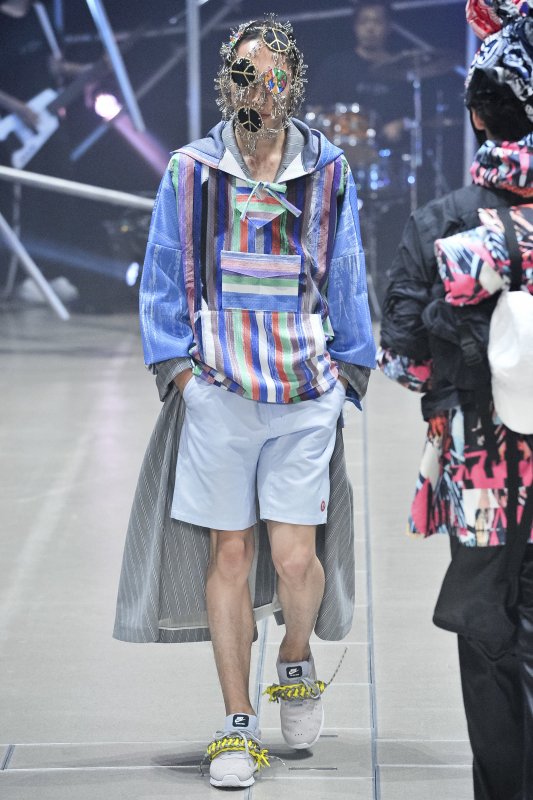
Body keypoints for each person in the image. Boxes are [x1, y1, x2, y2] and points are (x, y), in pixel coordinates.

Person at [113, 15, 376, 790]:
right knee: (229, 554)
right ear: (226, 84)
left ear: (292, 83)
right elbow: (164, 268)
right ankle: (236, 724)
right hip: (219, 392)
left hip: (303, 392)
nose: (255, 90)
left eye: (268, 77)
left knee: (295, 560)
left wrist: (347, 370)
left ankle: (294, 656)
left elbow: (347, 266)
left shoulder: (327, 169)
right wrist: (182, 375)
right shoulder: (191, 170)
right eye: (241, 75)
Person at [378, 1, 533, 798]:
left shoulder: (439, 223)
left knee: (487, 636)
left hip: (481, 470)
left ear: (476, 116)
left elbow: (403, 362)